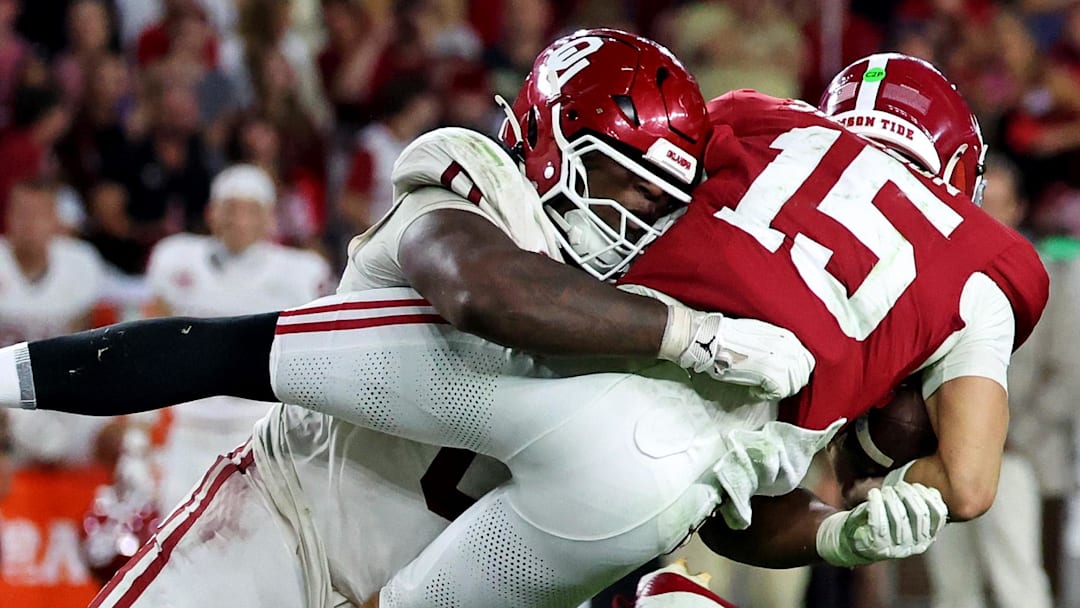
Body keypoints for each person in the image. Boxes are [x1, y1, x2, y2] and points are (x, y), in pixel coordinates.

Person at [1, 48, 1038, 606]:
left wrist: (835, 526)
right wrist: (694, 336)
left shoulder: (719, 261)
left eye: (659, 191)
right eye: (619, 180)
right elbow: (484, 290)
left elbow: (721, 509)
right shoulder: (478, 183)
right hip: (292, 517)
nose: (637, 211)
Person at [145, 163, 330, 510]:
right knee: (174, 520)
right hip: (191, 423)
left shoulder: (302, 273)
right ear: (211, 212)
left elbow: (315, 356)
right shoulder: (176, 259)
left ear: (269, 218)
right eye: (231, 208)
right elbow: (151, 339)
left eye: (251, 210)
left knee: (260, 525)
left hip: (261, 425)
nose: (240, 220)